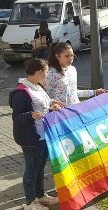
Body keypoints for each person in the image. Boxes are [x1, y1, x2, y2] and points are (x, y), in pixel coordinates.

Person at [9, 58, 64, 210]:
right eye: (46, 71)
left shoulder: (37, 86)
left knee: (40, 169)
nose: (47, 74)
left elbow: (42, 105)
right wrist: (31, 115)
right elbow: (17, 117)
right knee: (31, 170)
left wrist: (52, 105)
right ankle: (29, 203)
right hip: (31, 138)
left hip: (44, 135)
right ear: (39, 72)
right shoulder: (22, 91)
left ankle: (41, 196)